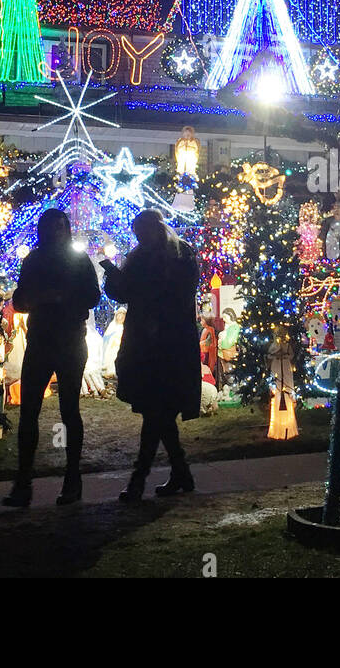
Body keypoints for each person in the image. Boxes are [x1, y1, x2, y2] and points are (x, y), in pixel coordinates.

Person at [3, 209, 101, 507]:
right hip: (41, 340)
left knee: (69, 409)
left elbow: (93, 296)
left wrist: (58, 298)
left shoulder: (78, 259)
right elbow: (20, 299)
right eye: (52, 227)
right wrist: (33, 298)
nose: (57, 232)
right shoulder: (33, 259)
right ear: (44, 230)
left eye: (62, 227)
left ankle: (72, 480)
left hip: (70, 340)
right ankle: (23, 483)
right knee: (29, 412)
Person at [104, 210, 202, 500]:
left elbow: (157, 294)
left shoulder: (173, 255)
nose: (139, 237)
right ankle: (180, 473)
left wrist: (123, 283)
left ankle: (139, 479)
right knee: (159, 413)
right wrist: (115, 278)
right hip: (155, 342)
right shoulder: (152, 256)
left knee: (156, 412)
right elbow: (125, 293)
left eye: (141, 231)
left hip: (163, 342)